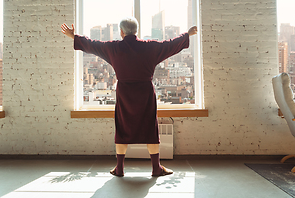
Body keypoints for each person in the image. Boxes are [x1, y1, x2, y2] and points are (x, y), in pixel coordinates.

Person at [61, 17, 197, 177]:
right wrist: (187, 34)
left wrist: (74, 36)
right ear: (136, 31)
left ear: (121, 32)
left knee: (123, 128)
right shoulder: (150, 47)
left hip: (124, 93)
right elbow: (170, 45)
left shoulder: (114, 48)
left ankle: (119, 168)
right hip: (145, 93)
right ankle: (156, 168)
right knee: (150, 129)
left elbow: (93, 45)